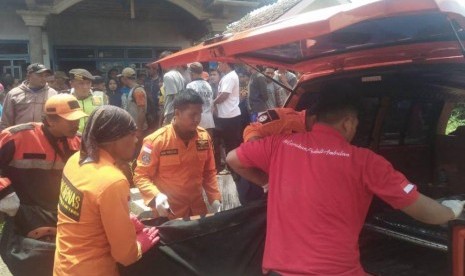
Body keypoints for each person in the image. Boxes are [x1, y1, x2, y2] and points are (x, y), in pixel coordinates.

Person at [226, 90, 465, 275]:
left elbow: (232, 158)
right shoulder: (364, 162)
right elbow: (425, 212)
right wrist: (452, 210)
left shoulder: (279, 146)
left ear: (317, 118)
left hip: (276, 272)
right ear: (348, 123)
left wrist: (267, 182)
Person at [54, 106, 159, 276]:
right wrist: (140, 243)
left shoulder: (75, 160)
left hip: (64, 266)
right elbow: (125, 255)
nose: (136, 140)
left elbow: (86, 212)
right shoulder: (112, 181)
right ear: (113, 138)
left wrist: (124, 218)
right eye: (131, 134)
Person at [0, 93, 86, 236]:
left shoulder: (79, 142)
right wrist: (5, 194)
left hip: (60, 215)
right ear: (51, 121)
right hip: (21, 214)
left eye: (78, 119)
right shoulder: (17, 137)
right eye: (70, 120)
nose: (76, 124)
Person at [134, 89, 221, 219]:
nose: (197, 119)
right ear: (177, 113)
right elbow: (141, 176)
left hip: (197, 210)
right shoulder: (156, 141)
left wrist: (214, 198)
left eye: (200, 114)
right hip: (168, 213)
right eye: (192, 115)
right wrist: (155, 196)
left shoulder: (204, 137)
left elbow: (209, 172)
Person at [0, 63, 57, 130]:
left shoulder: (53, 94)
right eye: (40, 75)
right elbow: (5, 121)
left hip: (45, 137)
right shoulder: (14, 94)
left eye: (45, 76)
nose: (43, 78)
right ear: (28, 76)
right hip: (20, 137)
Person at [212, 62, 242, 174]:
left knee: (230, 143)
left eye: (220, 64)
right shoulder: (228, 76)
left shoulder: (230, 77)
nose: (218, 66)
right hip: (226, 114)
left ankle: (233, 168)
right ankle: (231, 167)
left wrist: (213, 103)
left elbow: (224, 95)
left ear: (226, 64)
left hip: (229, 115)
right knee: (227, 143)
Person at [68, 68, 104, 133]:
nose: (85, 87)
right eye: (81, 83)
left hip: (94, 137)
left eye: (88, 83)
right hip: (72, 138)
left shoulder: (100, 96)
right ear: (72, 84)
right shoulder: (65, 98)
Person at [118, 67, 147, 141]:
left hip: (137, 129)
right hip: (133, 128)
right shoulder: (133, 89)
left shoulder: (138, 91)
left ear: (124, 78)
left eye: (121, 78)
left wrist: (139, 130)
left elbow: (142, 111)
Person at [186, 62, 215, 135]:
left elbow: (189, 105)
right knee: (208, 142)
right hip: (209, 120)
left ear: (191, 73)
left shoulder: (190, 86)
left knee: (199, 144)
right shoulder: (208, 85)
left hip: (197, 120)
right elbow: (211, 104)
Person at [160, 51, 185, 126]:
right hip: (177, 111)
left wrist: (173, 116)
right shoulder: (179, 75)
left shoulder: (168, 76)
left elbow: (175, 96)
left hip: (171, 112)